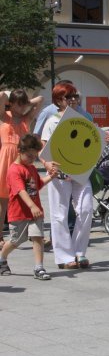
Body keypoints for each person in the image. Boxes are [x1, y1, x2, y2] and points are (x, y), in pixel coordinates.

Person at [39, 83, 94, 269]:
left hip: (80, 170)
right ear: (58, 100)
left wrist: (103, 139)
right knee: (59, 214)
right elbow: (43, 148)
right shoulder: (52, 121)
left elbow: (92, 142)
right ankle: (64, 257)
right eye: (67, 97)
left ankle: (79, 252)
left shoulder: (84, 117)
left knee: (86, 209)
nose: (73, 100)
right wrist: (47, 164)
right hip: (59, 172)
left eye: (75, 96)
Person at [0, 134, 56, 279]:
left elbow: (37, 185)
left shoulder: (31, 168)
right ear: (20, 151)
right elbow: (20, 190)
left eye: (34, 156)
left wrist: (51, 177)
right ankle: (2, 258)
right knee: (16, 240)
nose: (32, 159)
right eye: (29, 156)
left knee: (37, 236)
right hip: (19, 212)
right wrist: (31, 206)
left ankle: (39, 268)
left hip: (35, 212)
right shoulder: (14, 170)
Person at [0, 90, 43, 242]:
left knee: (29, 195)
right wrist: (11, 103)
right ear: (11, 103)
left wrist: (26, 103)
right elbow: (1, 96)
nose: (20, 108)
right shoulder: (4, 115)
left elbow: (41, 99)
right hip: (6, 158)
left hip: (22, 160)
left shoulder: (26, 118)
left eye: (22, 105)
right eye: (17, 104)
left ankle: (32, 232)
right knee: (3, 200)